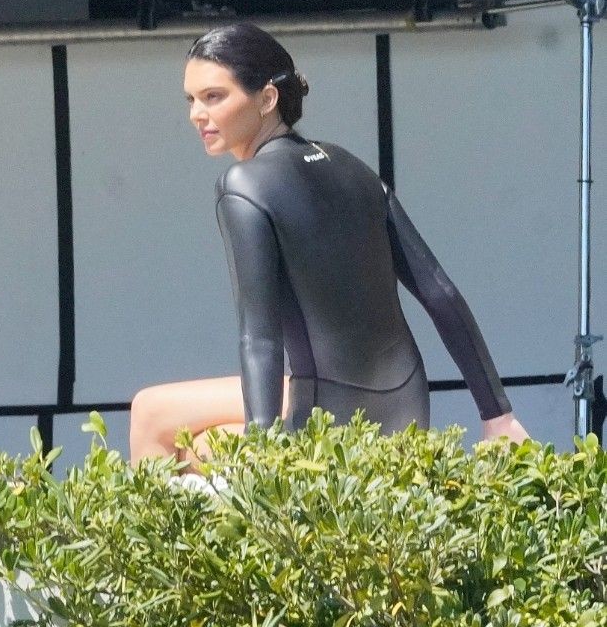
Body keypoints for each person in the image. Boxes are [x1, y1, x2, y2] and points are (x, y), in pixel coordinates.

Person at [129, 23, 528, 464]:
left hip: (326, 423)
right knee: (166, 415)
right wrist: (498, 415)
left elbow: (260, 337)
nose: (197, 115)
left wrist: (262, 453)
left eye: (214, 97)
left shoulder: (243, 185)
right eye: (191, 99)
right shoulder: (353, 167)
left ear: (267, 98)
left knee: (157, 420)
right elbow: (440, 292)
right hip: (405, 410)